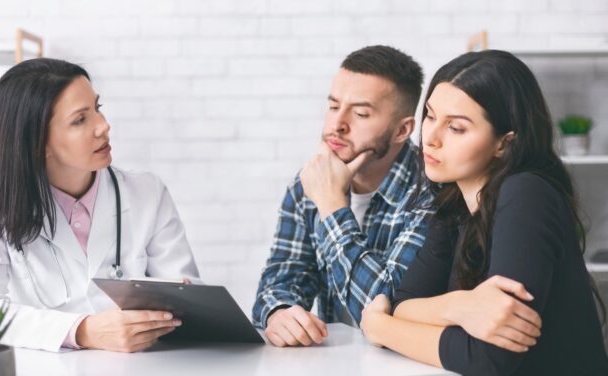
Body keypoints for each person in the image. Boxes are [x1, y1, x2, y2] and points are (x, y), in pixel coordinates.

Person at [360, 49, 608, 375]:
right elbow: (404, 305)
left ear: (504, 143)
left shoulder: (527, 194)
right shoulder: (452, 205)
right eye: (431, 116)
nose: (430, 139)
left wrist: (378, 328)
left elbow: (489, 358)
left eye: (456, 128)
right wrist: (459, 307)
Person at [0, 58, 200, 353]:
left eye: (97, 109)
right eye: (79, 120)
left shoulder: (146, 193)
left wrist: (177, 303)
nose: (103, 126)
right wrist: (82, 330)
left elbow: (188, 298)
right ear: (38, 142)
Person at [252, 45, 434, 347]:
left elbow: (386, 310)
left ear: (403, 130)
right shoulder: (306, 185)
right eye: (334, 106)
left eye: (361, 113)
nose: (337, 125)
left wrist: (331, 204)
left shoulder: (430, 191)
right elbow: (282, 278)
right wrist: (279, 312)